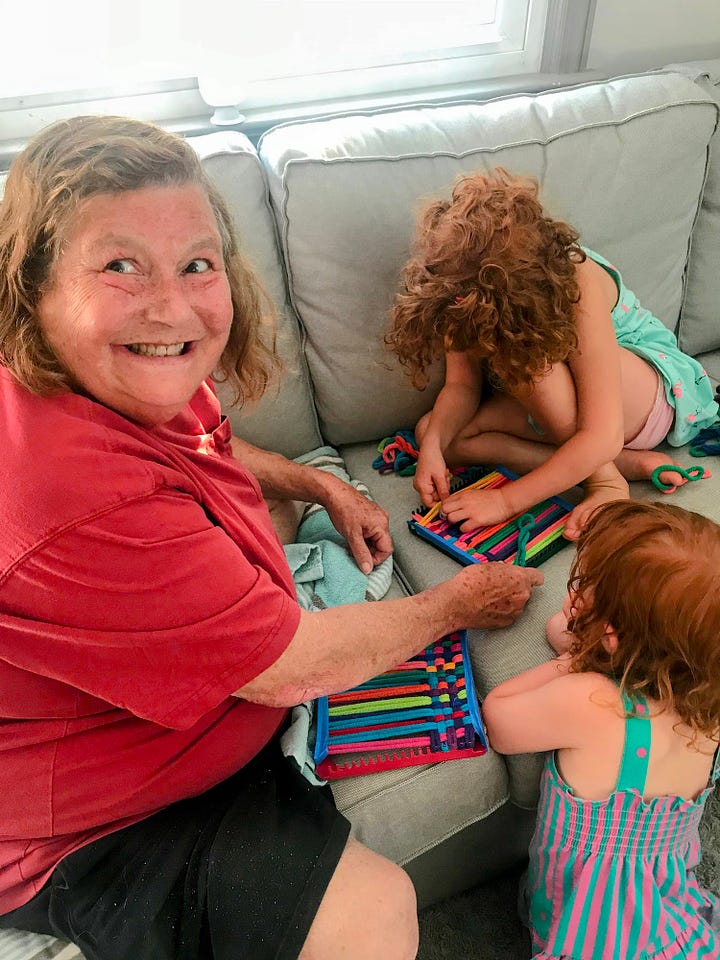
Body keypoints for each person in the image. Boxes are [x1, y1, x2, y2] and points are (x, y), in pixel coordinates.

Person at [0, 116, 544, 960]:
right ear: (33, 286)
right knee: (375, 915)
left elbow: (202, 444)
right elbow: (294, 665)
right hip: (95, 821)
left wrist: (318, 481)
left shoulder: (122, 378)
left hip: (183, 699)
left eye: (196, 263)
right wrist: (459, 601)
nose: (172, 303)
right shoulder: (74, 498)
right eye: (120, 264)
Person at [386, 167, 718, 540]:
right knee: (434, 431)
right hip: (572, 415)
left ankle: (606, 483)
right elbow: (462, 388)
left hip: (650, 390)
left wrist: (506, 501)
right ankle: (622, 465)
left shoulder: (577, 278)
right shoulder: (456, 289)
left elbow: (602, 431)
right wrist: (432, 449)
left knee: (530, 364)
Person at [482, 499, 720, 958]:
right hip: (661, 902)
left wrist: (570, 662)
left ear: (611, 636)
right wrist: (597, 639)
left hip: (588, 926)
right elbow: (563, 626)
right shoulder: (706, 706)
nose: (568, 599)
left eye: (582, 587)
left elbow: (499, 719)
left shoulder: (590, 698)